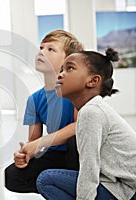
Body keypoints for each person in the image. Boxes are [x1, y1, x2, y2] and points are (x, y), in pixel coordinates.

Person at [36, 48, 136, 199]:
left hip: (128, 190)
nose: (60, 74)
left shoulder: (92, 112)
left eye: (70, 68)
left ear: (93, 81)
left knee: (47, 180)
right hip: (121, 185)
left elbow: (89, 169)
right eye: (61, 69)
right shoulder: (92, 109)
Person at [4, 30, 84, 193]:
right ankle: (63, 189)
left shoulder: (75, 90)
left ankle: (73, 186)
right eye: (41, 47)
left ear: (68, 60)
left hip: (78, 155)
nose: (41, 51)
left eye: (50, 49)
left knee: (74, 141)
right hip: (55, 154)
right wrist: (24, 155)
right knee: (12, 176)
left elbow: (79, 125)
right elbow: (33, 140)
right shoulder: (34, 99)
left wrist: (40, 143)